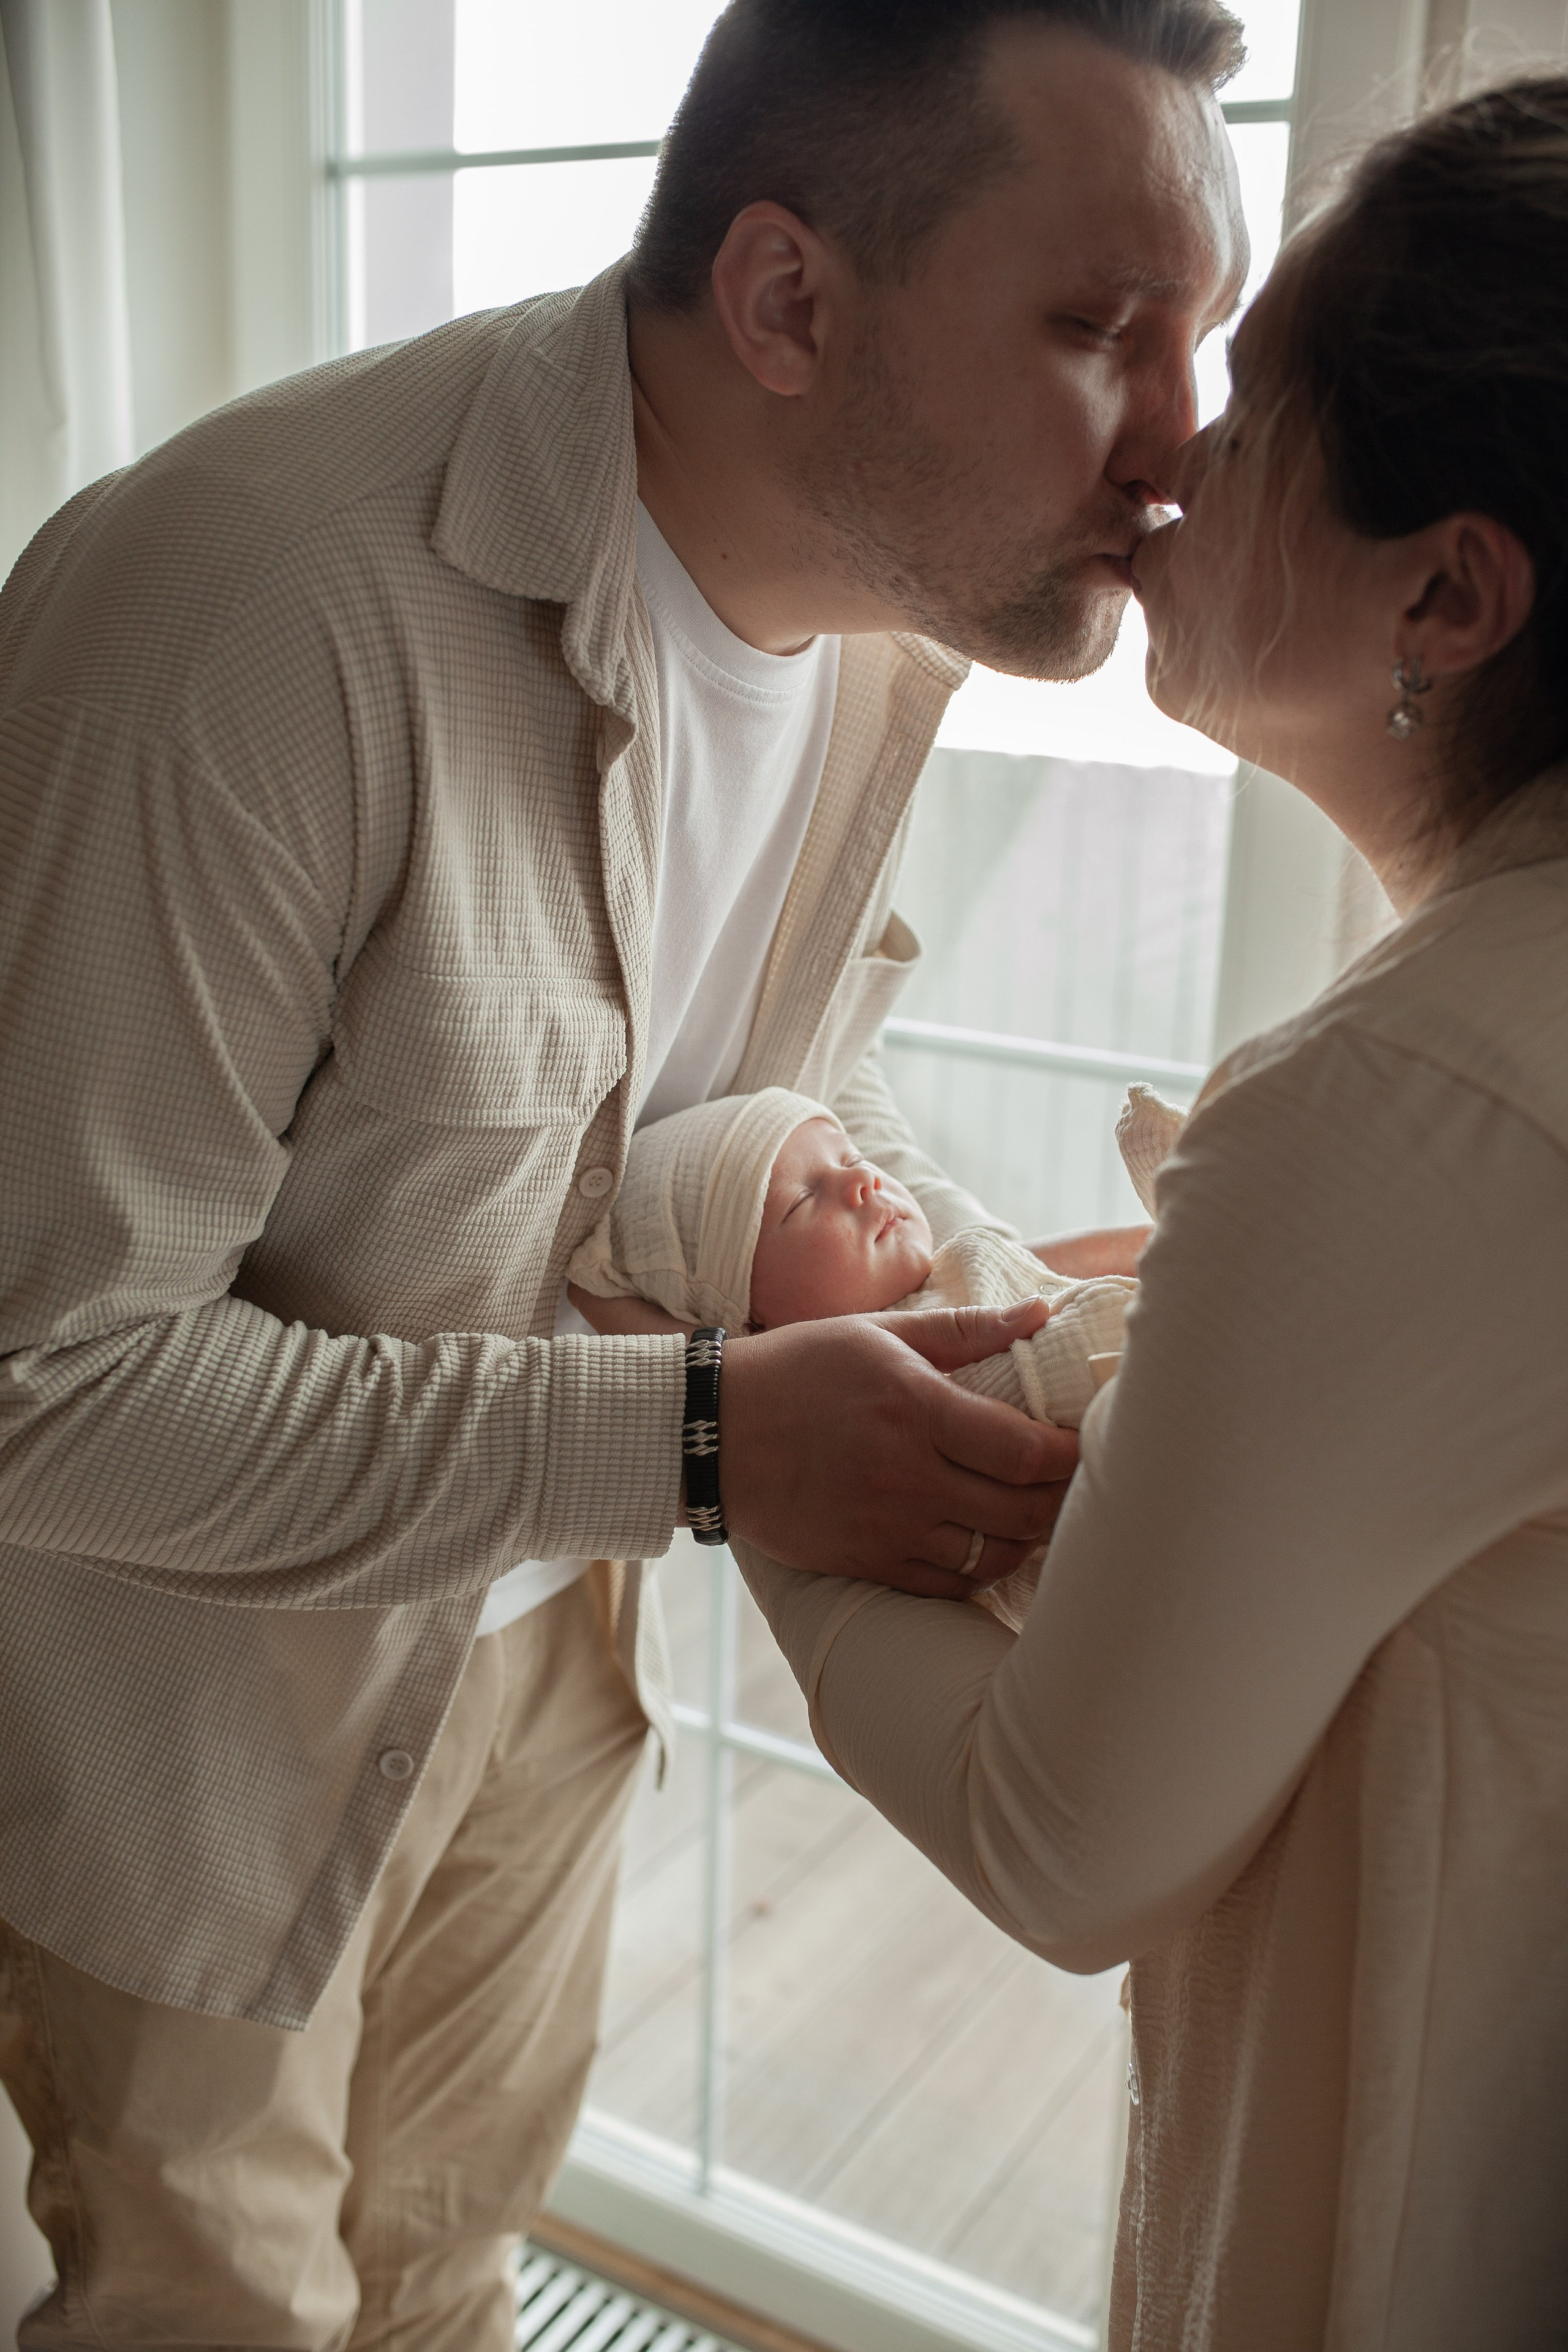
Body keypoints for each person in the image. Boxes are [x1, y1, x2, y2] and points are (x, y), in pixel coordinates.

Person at [0, 1, 1247, 2344]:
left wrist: (973, 1303)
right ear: (784, 301)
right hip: (185, 1704)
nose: (1184, 438)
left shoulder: (880, 618)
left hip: (549, 1643)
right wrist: (691, 1441)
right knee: (212, 2313)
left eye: (1202, 331)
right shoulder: (239, 623)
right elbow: (34, 1377)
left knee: (450, 2274)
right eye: (1099, 330)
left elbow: (739, 1066)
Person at [737, 74, 1568, 2352]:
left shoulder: (1410, 1093)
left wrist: (772, 1487)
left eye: (1252, 386)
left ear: (1450, 589)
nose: (1167, 453)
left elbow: (1058, 1843)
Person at [566, 1084, 1170, 1619]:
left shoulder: (961, 1265)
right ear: (752, 1324)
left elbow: (1066, 1279)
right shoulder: (879, 1418)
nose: (864, 1180)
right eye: (803, 1201)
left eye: (852, 1157)